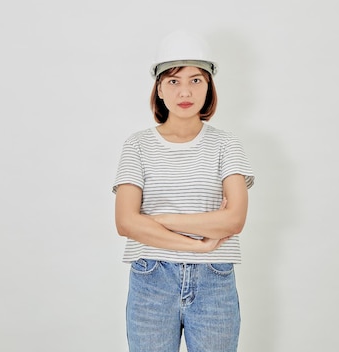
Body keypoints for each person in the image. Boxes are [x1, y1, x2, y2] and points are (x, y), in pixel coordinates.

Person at [112, 30, 255, 352]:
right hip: (151, 277)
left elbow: (233, 221)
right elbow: (125, 223)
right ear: (159, 89)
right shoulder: (137, 145)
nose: (185, 91)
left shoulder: (226, 144)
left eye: (196, 80)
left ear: (209, 88)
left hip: (214, 281)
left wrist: (156, 219)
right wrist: (201, 246)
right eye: (174, 81)